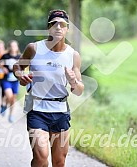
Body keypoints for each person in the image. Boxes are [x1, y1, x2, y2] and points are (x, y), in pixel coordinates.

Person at [13, 9, 84, 167]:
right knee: (41, 157)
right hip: (37, 108)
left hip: (60, 111)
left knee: (59, 162)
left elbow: (79, 90)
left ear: (67, 28)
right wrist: (20, 75)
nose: (58, 27)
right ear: (48, 27)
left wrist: (73, 82)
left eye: (62, 24)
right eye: (54, 24)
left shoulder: (73, 55)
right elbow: (18, 66)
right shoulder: (34, 48)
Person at [0, 40, 21, 123]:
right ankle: (4, 105)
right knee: (9, 96)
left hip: (15, 81)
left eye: (15, 46)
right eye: (11, 46)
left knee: (13, 99)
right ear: (9, 47)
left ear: (17, 47)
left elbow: (24, 66)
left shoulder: (20, 57)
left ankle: (11, 115)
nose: (13, 48)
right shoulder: (5, 56)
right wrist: (3, 68)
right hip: (6, 80)